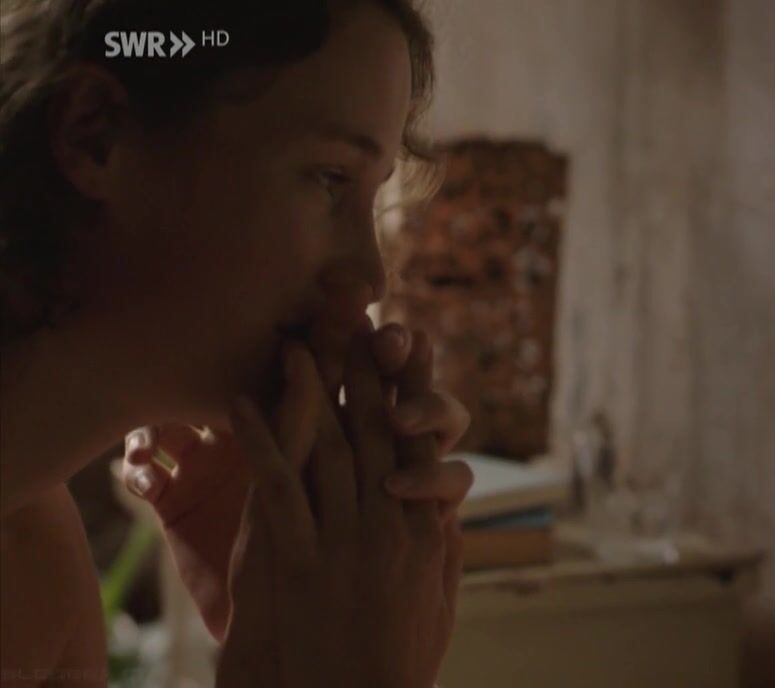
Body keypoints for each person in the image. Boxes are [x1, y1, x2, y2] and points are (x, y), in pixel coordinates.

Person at [1, 0, 473, 685]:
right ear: (95, 134)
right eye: (329, 178)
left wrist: (272, 615)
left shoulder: (29, 550)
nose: (369, 276)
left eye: (371, 198)